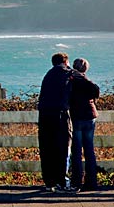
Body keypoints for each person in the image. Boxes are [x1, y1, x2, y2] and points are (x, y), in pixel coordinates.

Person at [38, 52, 73, 192]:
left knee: (47, 148)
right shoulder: (67, 72)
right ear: (65, 62)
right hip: (60, 115)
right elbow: (92, 88)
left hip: (45, 115)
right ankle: (62, 181)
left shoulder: (48, 75)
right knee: (63, 148)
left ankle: (49, 181)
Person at [69, 58, 100, 192]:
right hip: (90, 116)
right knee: (89, 150)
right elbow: (96, 91)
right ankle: (91, 181)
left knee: (76, 150)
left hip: (76, 117)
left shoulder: (71, 81)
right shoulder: (88, 82)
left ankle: (77, 181)